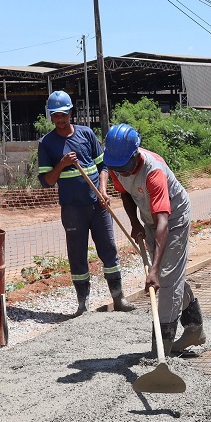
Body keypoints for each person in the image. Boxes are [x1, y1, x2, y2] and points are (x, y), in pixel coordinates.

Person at [102, 123, 207, 354]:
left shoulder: (154, 173)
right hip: (149, 217)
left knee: (166, 275)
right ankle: (194, 329)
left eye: (125, 166)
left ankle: (162, 349)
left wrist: (155, 269)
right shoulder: (119, 165)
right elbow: (125, 193)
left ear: (135, 154)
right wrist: (135, 223)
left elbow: (163, 222)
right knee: (170, 276)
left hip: (173, 217)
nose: (122, 172)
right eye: (116, 167)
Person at [37, 90, 135, 316]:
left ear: (71, 112)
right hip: (72, 210)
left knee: (109, 250)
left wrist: (102, 190)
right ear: (50, 117)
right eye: (55, 116)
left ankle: (118, 298)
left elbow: (103, 166)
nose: (60, 119)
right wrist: (61, 164)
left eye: (63, 114)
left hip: (98, 205)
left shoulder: (86, 134)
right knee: (77, 255)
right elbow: (47, 182)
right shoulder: (47, 144)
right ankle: (82, 305)